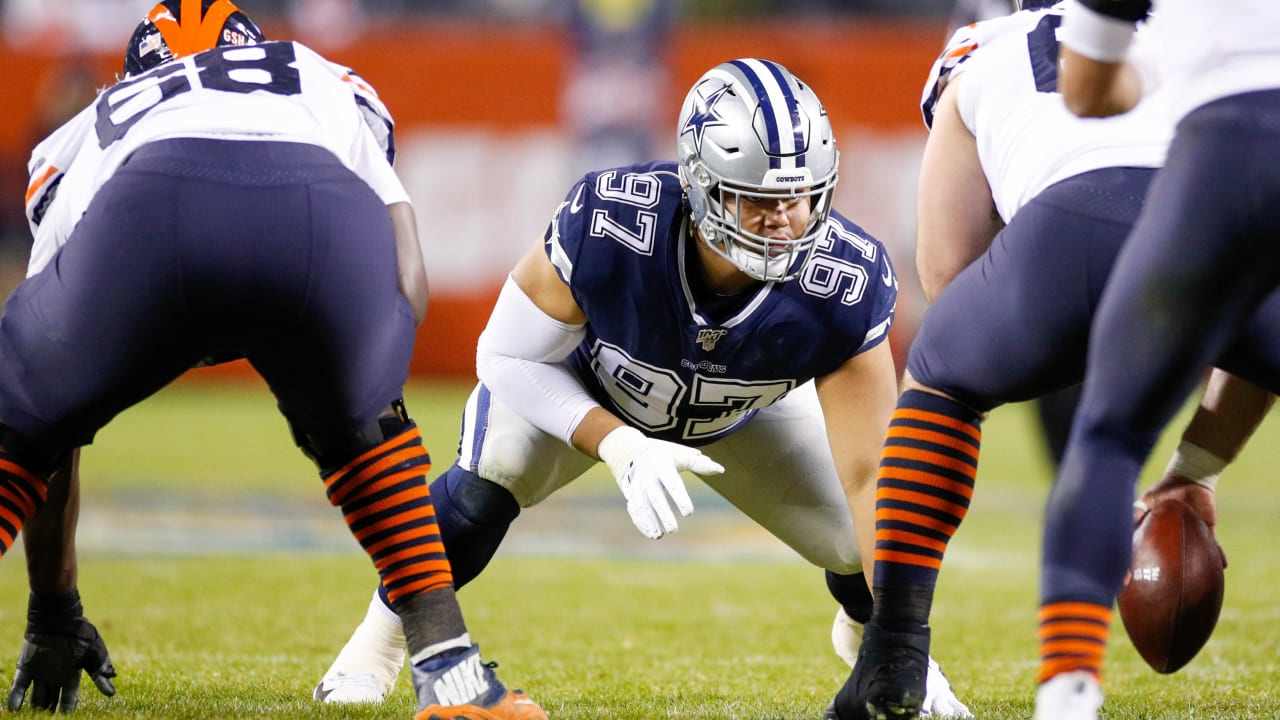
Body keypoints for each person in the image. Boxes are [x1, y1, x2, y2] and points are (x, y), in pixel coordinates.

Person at [312, 58, 971, 718]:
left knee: (866, 533)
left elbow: (870, 475)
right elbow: (505, 357)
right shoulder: (614, 222)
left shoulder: (842, 281)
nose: (783, 221)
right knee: (492, 470)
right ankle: (375, 646)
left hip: (733, 414)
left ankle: (871, 640)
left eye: (797, 198)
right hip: (586, 383)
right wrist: (620, 443)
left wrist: (901, 638)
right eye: (757, 200)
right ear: (701, 183)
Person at [1, 2, 544, 718]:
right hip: (315, 218)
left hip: (149, 214)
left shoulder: (96, 121)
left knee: (23, 418)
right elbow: (400, 247)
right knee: (366, 429)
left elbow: (52, 406)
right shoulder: (322, 76)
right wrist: (364, 395)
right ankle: (453, 675)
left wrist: (53, 610)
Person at [827, 2, 1280, 718]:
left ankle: (899, 647)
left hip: (1068, 230)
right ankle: (1192, 473)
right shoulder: (1187, 24)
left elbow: (945, 270)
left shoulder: (981, 49)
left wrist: (1045, 324)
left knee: (944, 370)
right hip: (1210, 213)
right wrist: (1195, 469)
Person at [1033, 0, 1280, 717]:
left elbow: (1085, 89)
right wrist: (1194, 471)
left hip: (1223, 145)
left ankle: (1070, 688)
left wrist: (1156, 74)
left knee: (1109, 431)